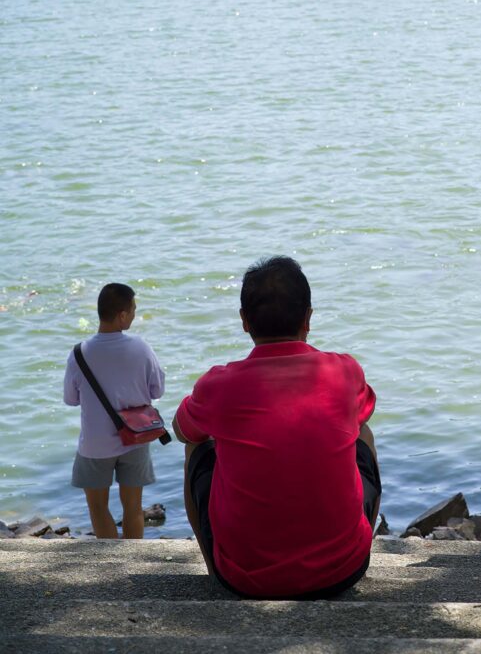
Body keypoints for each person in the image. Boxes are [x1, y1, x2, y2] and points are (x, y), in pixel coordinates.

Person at [173, 256, 381, 599]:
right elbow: (363, 413)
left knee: (198, 446)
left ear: (244, 321)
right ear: (308, 318)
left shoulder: (219, 384)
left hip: (244, 579)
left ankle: (215, 568)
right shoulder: (344, 370)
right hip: (343, 573)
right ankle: (354, 543)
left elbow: (183, 431)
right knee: (364, 434)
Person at [63, 283, 164, 539]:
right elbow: (157, 390)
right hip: (135, 438)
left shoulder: (79, 353)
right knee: (133, 508)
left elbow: (70, 399)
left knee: (98, 509)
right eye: (133, 310)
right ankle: (133, 565)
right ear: (122, 315)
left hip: (95, 444)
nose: (134, 315)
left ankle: (111, 569)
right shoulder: (141, 347)